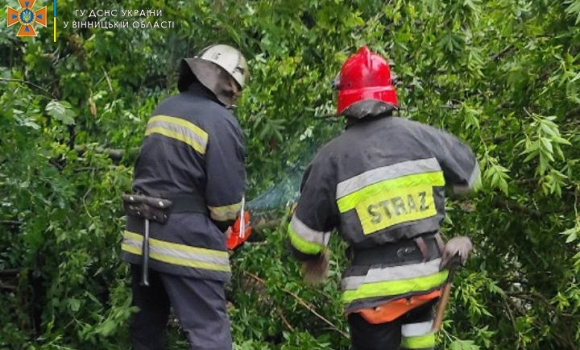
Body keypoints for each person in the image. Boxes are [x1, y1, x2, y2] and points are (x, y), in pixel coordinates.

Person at [287, 46, 479, 350]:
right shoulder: (424, 137)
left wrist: (313, 258)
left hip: (374, 295)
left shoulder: (331, 158)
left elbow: (303, 242)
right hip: (426, 278)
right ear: (391, 90)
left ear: (343, 97)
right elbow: (470, 177)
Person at [120, 44, 251, 350]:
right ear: (227, 83)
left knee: (147, 332)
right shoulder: (220, 122)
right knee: (209, 335)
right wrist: (229, 224)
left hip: (142, 239)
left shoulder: (163, 109)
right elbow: (225, 205)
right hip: (185, 242)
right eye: (236, 89)